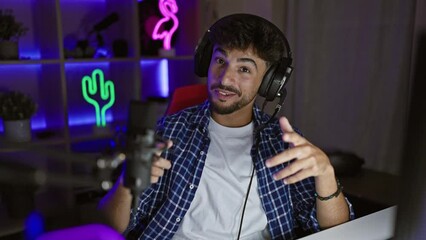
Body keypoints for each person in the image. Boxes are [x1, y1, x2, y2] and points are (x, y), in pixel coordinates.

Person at [99, 13, 354, 239]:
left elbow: (336, 231)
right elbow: (110, 227)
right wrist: (126, 181)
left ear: (269, 83)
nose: (225, 78)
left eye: (244, 68)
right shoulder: (167, 130)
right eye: (220, 61)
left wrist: (326, 175)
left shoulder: (283, 140)